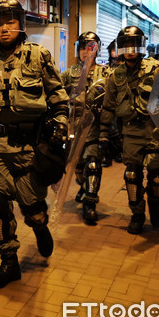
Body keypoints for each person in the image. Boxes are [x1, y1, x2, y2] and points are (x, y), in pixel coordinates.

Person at [0, 0, 69, 289]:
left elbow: (58, 96)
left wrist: (60, 125)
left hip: (28, 147)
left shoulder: (38, 56)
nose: (4, 28)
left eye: (10, 22)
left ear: (20, 24)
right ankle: (8, 262)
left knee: (31, 207)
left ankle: (39, 225)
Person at [100, 26, 159, 235]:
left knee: (157, 177)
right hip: (131, 131)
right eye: (126, 45)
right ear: (120, 48)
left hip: (155, 129)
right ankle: (137, 214)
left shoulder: (157, 69)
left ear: (141, 45)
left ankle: (154, 202)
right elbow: (108, 105)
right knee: (132, 175)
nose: (130, 49)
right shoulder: (116, 75)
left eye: (134, 44)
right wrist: (103, 133)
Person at [61, 31, 109, 224]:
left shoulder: (105, 73)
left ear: (96, 49)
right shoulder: (68, 73)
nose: (86, 52)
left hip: (95, 128)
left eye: (90, 48)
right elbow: (57, 96)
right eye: (82, 48)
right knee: (77, 166)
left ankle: (90, 202)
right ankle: (82, 186)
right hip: (74, 128)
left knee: (93, 164)